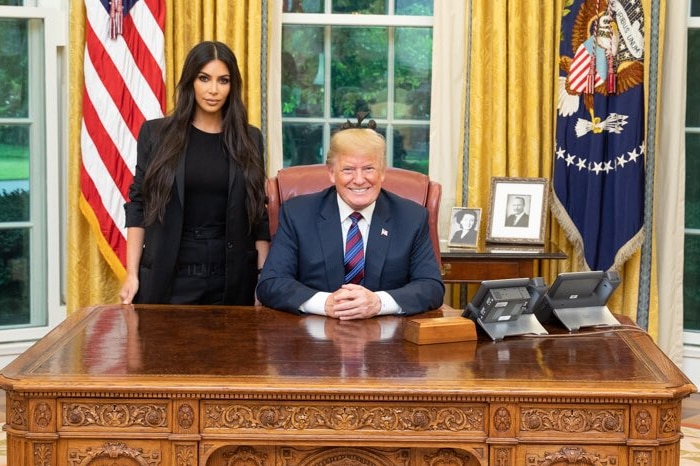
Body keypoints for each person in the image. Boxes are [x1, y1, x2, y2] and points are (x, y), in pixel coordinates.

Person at [119, 41, 270, 305]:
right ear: (190, 81)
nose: (213, 90)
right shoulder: (156, 134)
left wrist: (262, 277)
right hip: (170, 273)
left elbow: (258, 214)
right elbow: (138, 205)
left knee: (233, 348)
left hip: (233, 277)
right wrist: (132, 274)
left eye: (223, 80)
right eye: (204, 78)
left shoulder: (250, 138)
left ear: (232, 86)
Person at [257, 119, 444, 319]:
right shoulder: (297, 214)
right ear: (331, 173)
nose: (359, 179)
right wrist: (325, 303)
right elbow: (271, 283)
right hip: (312, 336)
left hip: (390, 338)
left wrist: (378, 303)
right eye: (348, 170)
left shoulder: (412, 217)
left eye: (369, 169)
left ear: (382, 172)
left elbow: (431, 286)